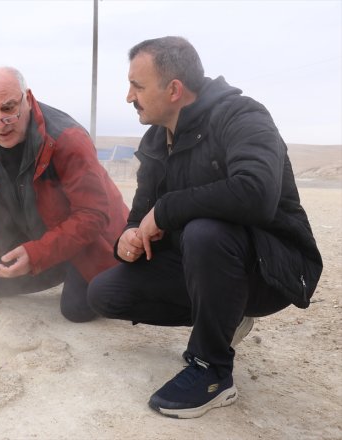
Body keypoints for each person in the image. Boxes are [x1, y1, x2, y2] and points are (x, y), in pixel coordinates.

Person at [87, 36, 323, 418]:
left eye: (137, 86)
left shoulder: (242, 116)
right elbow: (140, 214)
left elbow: (257, 193)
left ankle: (212, 371)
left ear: (174, 90)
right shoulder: (154, 141)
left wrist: (166, 210)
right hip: (201, 264)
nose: (129, 97)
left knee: (204, 231)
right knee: (104, 294)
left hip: (269, 269)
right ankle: (226, 316)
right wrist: (128, 238)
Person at [0, 66, 129, 330]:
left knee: (76, 309)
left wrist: (36, 254)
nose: (1, 121)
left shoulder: (66, 138)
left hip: (90, 240)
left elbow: (93, 215)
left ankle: (78, 268)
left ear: (27, 98)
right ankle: (57, 265)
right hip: (42, 234)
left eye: (8, 108)